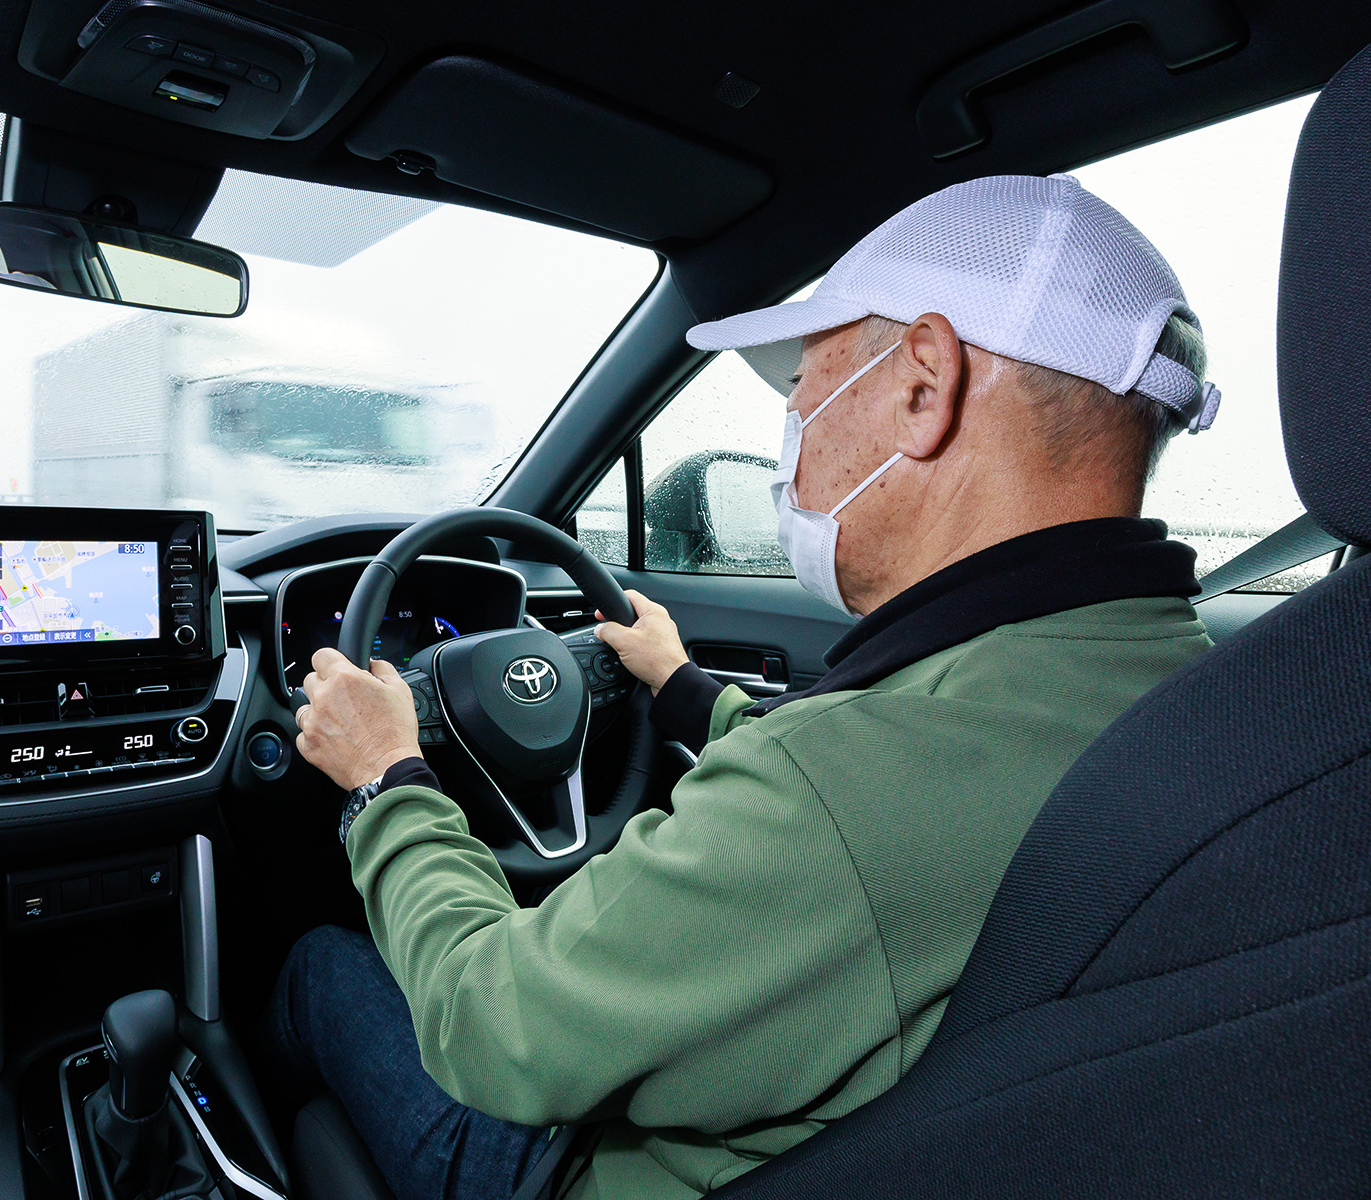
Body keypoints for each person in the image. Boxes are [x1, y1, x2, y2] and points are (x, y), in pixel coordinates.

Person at [264, 174, 1222, 1200]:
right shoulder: (1200, 687)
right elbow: (864, 805)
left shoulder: (841, 786)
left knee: (318, 966)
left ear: (922, 386)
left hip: (593, 1171)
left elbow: (493, 1026)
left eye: (807, 390)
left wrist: (387, 781)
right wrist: (682, 690)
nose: (796, 434)